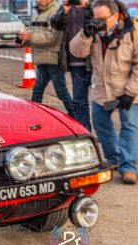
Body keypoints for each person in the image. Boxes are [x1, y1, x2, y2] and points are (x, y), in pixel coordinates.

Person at [70, 0, 138, 184]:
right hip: (101, 91)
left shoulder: (132, 33)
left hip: (127, 91)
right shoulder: (93, 33)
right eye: (95, 17)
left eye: (102, 18)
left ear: (116, 16)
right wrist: (85, 33)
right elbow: (76, 51)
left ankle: (129, 167)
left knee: (129, 127)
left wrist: (130, 92)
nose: (97, 21)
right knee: (101, 124)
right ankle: (114, 158)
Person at [18, 0, 76, 118]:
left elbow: (52, 37)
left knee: (61, 91)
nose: (39, 0)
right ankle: (33, 114)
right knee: (38, 89)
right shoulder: (37, 13)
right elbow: (36, 34)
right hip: (42, 58)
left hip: (53, 59)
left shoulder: (55, 12)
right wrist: (25, 39)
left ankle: (76, 115)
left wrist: (31, 36)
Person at [51, 0, 93, 131]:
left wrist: (88, 5)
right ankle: (85, 129)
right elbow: (55, 25)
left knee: (101, 101)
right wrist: (63, 12)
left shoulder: (94, 6)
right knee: (79, 99)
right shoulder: (67, 8)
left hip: (94, 61)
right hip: (75, 63)